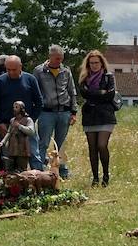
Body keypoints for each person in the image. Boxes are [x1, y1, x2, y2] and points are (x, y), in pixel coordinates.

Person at [0, 56, 44, 171]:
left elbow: (39, 102)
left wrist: (31, 120)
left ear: (20, 67)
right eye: (8, 69)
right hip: (6, 124)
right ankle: (6, 183)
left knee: (33, 153)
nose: (11, 72)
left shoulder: (30, 79)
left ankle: (39, 180)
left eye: (14, 69)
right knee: (7, 155)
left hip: (26, 124)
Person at [33, 45, 77, 179]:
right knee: (43, 142)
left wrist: (74, 112)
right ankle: (39, 171)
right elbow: (35, 91)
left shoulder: (66, 71)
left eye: (61, 59)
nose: (59, 61)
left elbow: (72, 91)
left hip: (64, 112)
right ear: (50, 57)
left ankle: (62, 171)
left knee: (61, 143)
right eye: (57, 58)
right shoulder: (39, 71)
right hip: (46, 112)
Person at [78, 49, 117, 186]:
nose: (94, 65)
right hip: (89, 115)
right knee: (92, 148)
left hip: (105, 115)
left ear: (102, 63)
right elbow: (84, 94)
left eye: (96, 62)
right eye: (91, 63)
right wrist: (100, 93)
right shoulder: (84, 77)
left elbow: (110, 94)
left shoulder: (108, 76)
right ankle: (95, 178)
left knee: (102, 145)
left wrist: (93, 93)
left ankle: (106, 176)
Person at [0, 101, 37, 172]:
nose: (14, 109)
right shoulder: (12, 120)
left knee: (22, 168)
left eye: (16, 107)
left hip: (23, 147)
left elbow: (31, 131)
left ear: (22, 109)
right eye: (14, 107)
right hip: (13, 147)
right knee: (10, 168)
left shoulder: (28, 120)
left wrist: (20, 126)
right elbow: (9, 132)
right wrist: (3, 142)